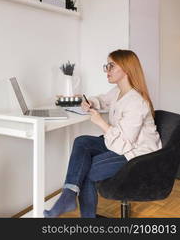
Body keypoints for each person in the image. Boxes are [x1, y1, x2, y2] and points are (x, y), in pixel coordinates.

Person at [44, 49, 162, 218]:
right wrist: (89, 101)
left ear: (126, 69)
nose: (107, 70)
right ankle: (69, 195)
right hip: (122, 144)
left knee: (86, 169)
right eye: (106, 66)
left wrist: (101, 122)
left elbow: (123, 145)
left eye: (111, 66)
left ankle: (85, 217)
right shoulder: (118, 92)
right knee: (82, 141)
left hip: (137, 155)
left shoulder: (137, 102)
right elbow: (103, 100)